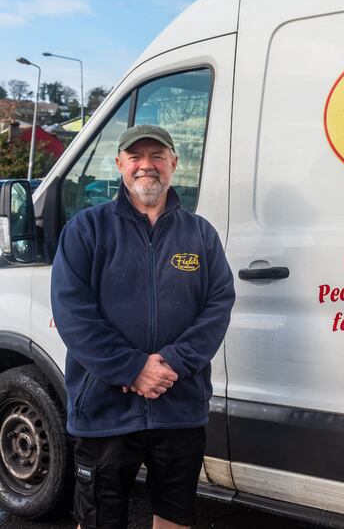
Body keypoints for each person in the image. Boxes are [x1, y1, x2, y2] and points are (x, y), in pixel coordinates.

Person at [51, 124, 235, 529]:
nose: (146, 166)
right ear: (119, 164)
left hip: (178, 406)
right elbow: (72, 312)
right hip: (104, 409)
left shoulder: (200, 234)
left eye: (157, 156)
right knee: (99, 520)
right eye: (135, 157)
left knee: (174, 517)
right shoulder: (86, 230)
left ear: (174, 163)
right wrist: (132, 368)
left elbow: (218, 305)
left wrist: (170, 364)